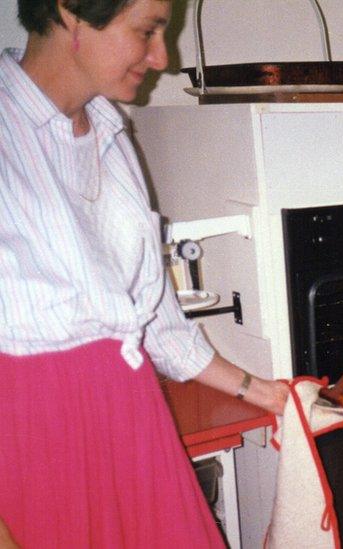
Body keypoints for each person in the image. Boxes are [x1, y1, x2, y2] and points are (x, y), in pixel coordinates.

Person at [0, 1, 289, 546]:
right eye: (147, 30)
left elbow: (155, 317)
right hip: (33, 439)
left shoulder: (111, 132)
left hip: (132, 420)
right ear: (69, 13)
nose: (162, 56)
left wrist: (270, 395)